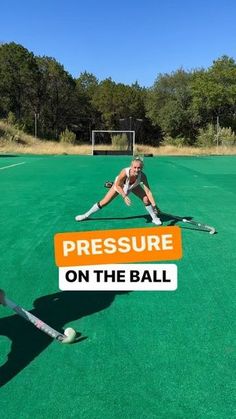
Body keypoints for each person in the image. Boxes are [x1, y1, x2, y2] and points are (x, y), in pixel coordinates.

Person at [75, 157, 162, 225]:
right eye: (134, 167)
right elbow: (118, 185)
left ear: (142, 168)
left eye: (139, 168)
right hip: (120, 185)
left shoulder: (142, 176)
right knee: (104, 202)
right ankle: (86, 215)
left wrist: (154, 205)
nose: (136, 169)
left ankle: (154, 218)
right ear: (131, 167)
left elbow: (148, 192)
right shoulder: (124, 172)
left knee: (146, 199)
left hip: (133, 186)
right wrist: (124, 196)